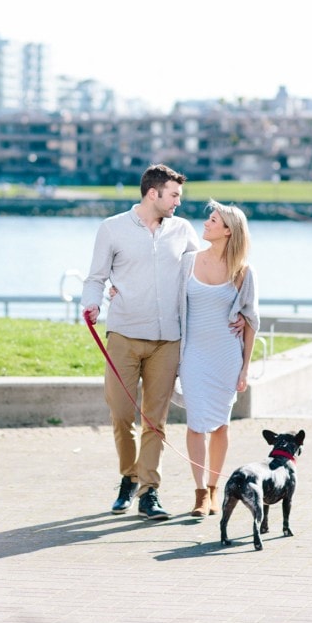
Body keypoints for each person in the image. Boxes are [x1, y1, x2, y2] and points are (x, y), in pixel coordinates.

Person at [81, 164, 199, 520]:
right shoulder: (112, 229)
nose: (178, 202)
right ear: (154, 193)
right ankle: (128, 477)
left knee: (155, 420)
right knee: (120, 415)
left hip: (168, 340)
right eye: (174, 195)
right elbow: (95, 278)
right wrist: (91, 303)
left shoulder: (182, 230)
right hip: (124, 336)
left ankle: (149, 491)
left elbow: (202, 273)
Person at [177, 200, 260, 518]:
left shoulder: (243, 272)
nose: (206, 223)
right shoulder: (188, 262)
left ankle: (214, 490)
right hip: (193, 356)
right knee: (196, 423)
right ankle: (199, 494)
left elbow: (252, 321)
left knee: (221, 426)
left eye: (213, 220)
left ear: (228, 230)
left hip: (226, 357)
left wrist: (245, 368)